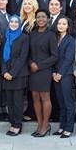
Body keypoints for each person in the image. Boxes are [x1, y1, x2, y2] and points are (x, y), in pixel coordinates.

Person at [29, 9, 58, 137]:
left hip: (44, 70)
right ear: (35, 19)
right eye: (38, 17)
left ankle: (45, 126)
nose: (41, 19)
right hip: (32, 70)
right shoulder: (32, 34)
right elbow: (27, 53)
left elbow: (54, 56)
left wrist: (39, 65)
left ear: (48, 19)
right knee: (35, 98)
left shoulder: (51, 35)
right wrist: (31, 64)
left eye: (43, 17)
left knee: (45, 98)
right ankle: (39, 124)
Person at [2, 15, 29, 136]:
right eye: (11, 21)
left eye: (16, 22)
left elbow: (23, 57)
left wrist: (12, 73)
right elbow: (2, 57)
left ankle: (18, 125)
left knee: (18, 101)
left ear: (19, 23)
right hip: (6, 74)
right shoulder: (5, 36)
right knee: (10, 101)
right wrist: (4, 72)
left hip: (18, 74)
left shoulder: (24, 37)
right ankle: (12, 124)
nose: (13, 23)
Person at [52, 17, 75, 138]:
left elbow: (68, 58)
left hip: (65, 74)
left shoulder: (70, 40)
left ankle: (69, 128)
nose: (61, 25)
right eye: (59, 23)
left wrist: (60, 74)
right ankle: (62, 127)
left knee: (68, 102)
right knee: (61, 102)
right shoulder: (55, 38)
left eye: (64, 24)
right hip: (55, 74)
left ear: (68, 26)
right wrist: (54, 73)